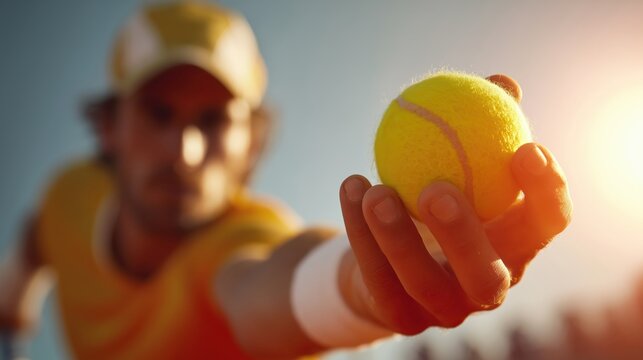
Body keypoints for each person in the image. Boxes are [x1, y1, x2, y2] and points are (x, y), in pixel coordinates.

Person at [0, 1, 572, 359]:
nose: (186, 150)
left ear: (252, 141)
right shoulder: (70, 194)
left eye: (215, 120)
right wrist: (13, 315)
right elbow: (35, 239)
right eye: (157, 112)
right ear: (109, 128)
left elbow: (276, 280)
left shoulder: (241, 239)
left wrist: (364, 288)